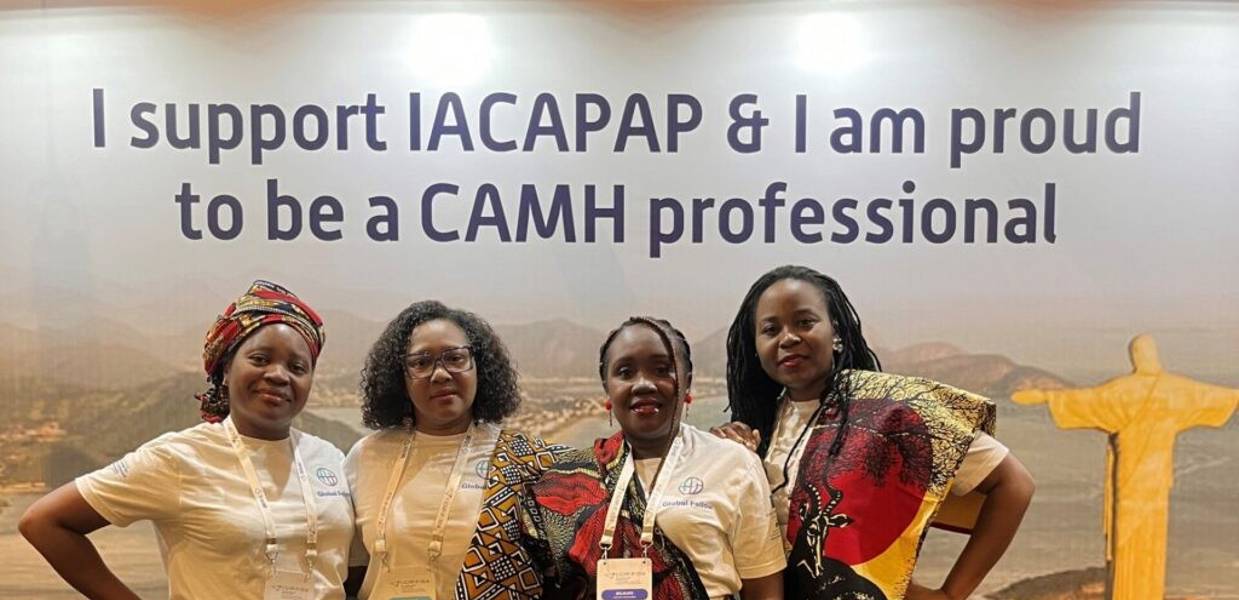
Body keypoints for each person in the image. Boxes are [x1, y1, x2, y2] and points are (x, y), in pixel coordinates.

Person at [713, 265, 1035, 600]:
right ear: (755, 346)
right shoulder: (759, 427)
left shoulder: (893, 411)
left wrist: (950, 594)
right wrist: (731, 458)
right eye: (770, 329)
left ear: (835, 332)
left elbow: (1015, 484)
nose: (788, 337)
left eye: (805, 322)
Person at [18, 280, 355, 599]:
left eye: (297, 366)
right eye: (260, 359)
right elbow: (44, 523)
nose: (279, 375)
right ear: (225, 368)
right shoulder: (179, 457)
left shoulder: (329, 458)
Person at [521, 316, 786, 600]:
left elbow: (764, 588)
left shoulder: (733, 461)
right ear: (608, 389)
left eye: (661, 369)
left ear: (687, 383)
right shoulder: (570, 480)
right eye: (625, 372)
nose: (644, 384)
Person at [344, 300, 565, 600]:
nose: (440, 374)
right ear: (400, 376)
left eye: (454, 358)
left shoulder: (528, 462)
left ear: (479, 365)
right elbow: (350, 572)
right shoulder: (366, 456)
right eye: (421, 363)